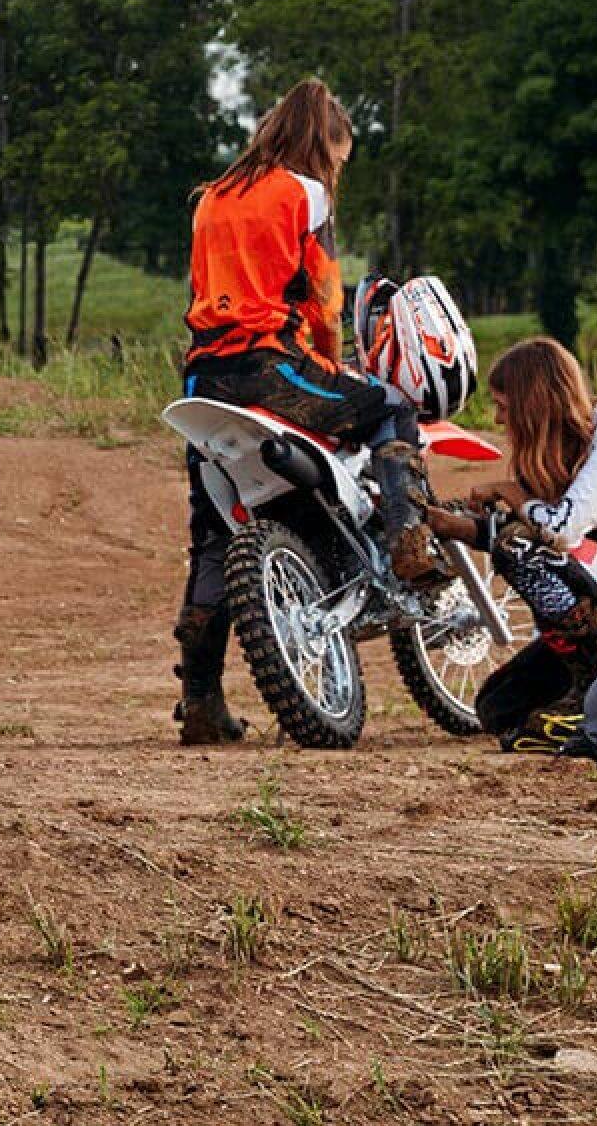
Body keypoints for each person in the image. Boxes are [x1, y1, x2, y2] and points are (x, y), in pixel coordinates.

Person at [170, 77, 428, 744]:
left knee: (213, 537)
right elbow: (324, 297)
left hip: (202, 379)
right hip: (268, 366)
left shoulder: (211, 198)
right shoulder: (305, 192)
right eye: (339, 158)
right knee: (389, 411)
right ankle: (407, 540)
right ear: (323, 144)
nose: (338, 170)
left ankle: (199, 701)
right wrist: (341, 366)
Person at [422, 336, 597, 747]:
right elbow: (530, 531)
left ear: (532, 404)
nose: (500, 421)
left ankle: (593, 681)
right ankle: (594, 677)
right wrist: (442, 523)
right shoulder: (554, 452)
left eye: (504, 407)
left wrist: (513, 495)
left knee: (517, 546)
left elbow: (561, 530)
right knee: (498, 708)